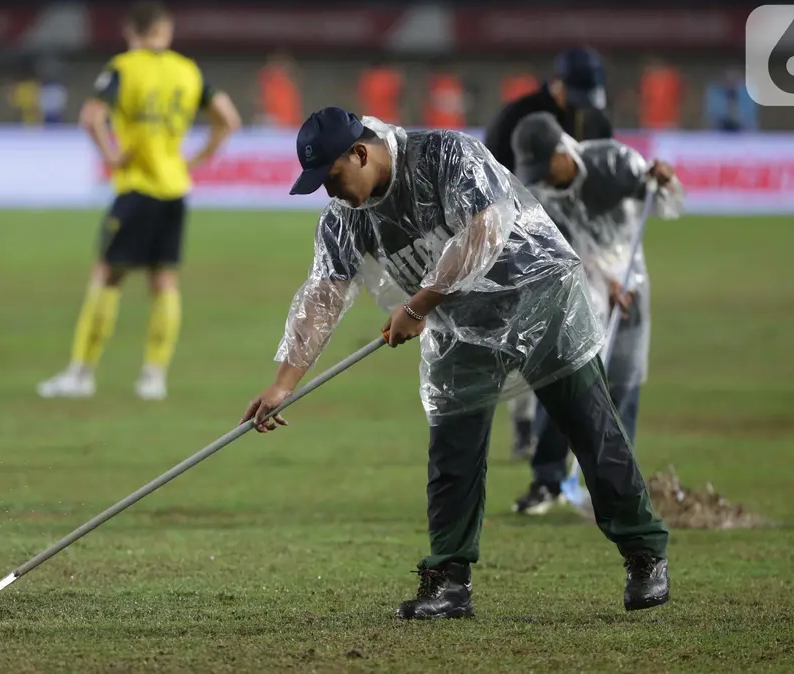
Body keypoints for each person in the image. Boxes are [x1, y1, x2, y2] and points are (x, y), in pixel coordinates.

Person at [240, 106, 670, 620]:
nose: (330, 194)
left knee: (592, 429)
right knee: (452, 449)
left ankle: (645, 553)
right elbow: (323, 294)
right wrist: (283, 384)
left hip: (539, 299)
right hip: (458, 325)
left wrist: (418, 304)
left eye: (331, 179)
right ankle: (448, 579)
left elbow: (484, 229)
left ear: (359, 153)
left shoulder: (446, 154)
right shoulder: (345, 218)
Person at [37, 1, 241, 401]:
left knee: (107, 276)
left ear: (131, 31)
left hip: (136, 189)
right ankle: (153, 377)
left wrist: (111, 156)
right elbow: (229, 119)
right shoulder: (187, 70)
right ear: (165, 29)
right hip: (175, 189)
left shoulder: (123, 68)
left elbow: (90, 116)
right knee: (164, 281)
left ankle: (80, 374)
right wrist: (196, 159)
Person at [507, 112, 684, 514]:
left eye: (544, 166)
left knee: (624, 381)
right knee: (562, 378)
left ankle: (616, 485)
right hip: (579, 287)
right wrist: (604, 279)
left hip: (631, 288)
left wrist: (664, 179)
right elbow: (563, 250)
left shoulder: (614, 163)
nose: (543, 177)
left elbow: (667, 201)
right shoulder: (545, 195)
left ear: (562, 150)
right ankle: (547, 480)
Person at [483, 45, 615, 461]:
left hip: (580, 242)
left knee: (583, 332)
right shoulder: (515, 117)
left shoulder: (595, 119)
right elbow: (490, 177)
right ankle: (524, 423)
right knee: (523, 337)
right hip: (522, 242)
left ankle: (573, 431)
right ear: (557, 84)